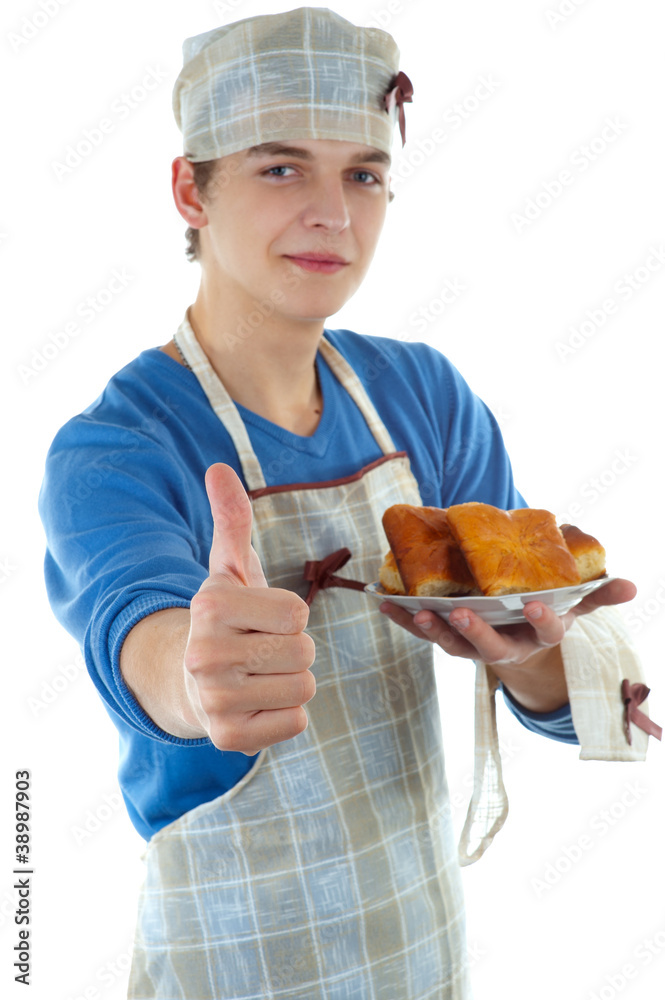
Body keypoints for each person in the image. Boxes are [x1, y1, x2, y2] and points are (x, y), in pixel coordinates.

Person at [38, 8, 657, 999]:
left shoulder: (423, 396)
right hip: (229, 966)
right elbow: (140, 639)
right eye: (281, 168)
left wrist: (534, 646)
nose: (334, 213)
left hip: (418, 947)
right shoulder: (117, 447)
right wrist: (201, 675)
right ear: (190, 189)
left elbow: (539, 661)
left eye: (364, 174)